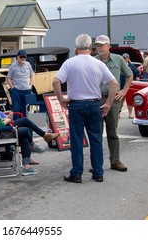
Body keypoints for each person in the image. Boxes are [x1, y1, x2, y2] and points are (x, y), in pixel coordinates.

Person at [52, 34, 118, 183]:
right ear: (91, 48)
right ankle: (98, 173)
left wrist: (61, 99)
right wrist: (108, 103)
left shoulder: (70, 63)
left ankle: (76, 173)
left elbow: (56, 81)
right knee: (96, 139)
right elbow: (113, 84)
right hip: (94, 103)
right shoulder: (99, 64)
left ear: (75, 49)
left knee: (76, 140)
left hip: (76, 104)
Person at [0, 86, 59, 152]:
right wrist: (6, 121)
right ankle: (29, 156)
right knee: (25, 131)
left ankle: (43, 136)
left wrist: (3, 120)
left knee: (25, 122)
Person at [94, 35, 133, 172]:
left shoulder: (118, 59)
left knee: (112, 132)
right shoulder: (93, 61)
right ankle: (97, 165)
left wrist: (124, 90)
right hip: (97, 99)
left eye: (102, 45)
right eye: (97, 45)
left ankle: (115, 161)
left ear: (108, 46)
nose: (99, 48)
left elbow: (129, 74)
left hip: (114, 100)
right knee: (96, 133)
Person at [6, 49, 34, 117]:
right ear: (17, 57)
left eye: (24, 57)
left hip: (27, 90)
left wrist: (31, 84)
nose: (22, 58)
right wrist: (12, 87)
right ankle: (17, 124)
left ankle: (26, 123)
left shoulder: (28, 64)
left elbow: (32, 75)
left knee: (27, 108)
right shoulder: (13, 65)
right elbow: (8, 77)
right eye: (21, 57)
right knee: (16, 109)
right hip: (17, 90)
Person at [120, 53, 140, 118]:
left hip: (130, 86)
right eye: (123, 58)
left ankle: (130, 114)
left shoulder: (131, 66)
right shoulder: (119, 66)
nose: (124, 59)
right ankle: (118, 113)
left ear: (128, 58)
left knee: (129, 101)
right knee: (120, 101)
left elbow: (137, 74)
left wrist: (137, 80)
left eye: (125, 58)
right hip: (121, 86)